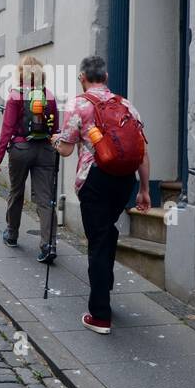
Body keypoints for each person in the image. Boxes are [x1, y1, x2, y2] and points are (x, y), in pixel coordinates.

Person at [53, 55, 151, 335]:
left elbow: (67, 150)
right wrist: (143, 189)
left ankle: (100, 315)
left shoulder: (78, 104)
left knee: (97, 241)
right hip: (124, 181)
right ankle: (105, 287)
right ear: (106, 78)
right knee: (108, 232)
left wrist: (56, 140)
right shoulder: (126, 105)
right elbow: (142, 151)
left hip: (95, 179)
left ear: (82, 77)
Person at [0, 54, 61, 263]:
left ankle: (12, 234)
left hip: (21, 149)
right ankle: (48, 244)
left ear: (21, 73)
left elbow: (7, 128)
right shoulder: (48, 95)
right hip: (45, 150)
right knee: (45, 198)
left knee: (16, 192)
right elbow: (55, 128)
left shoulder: (15, 95)